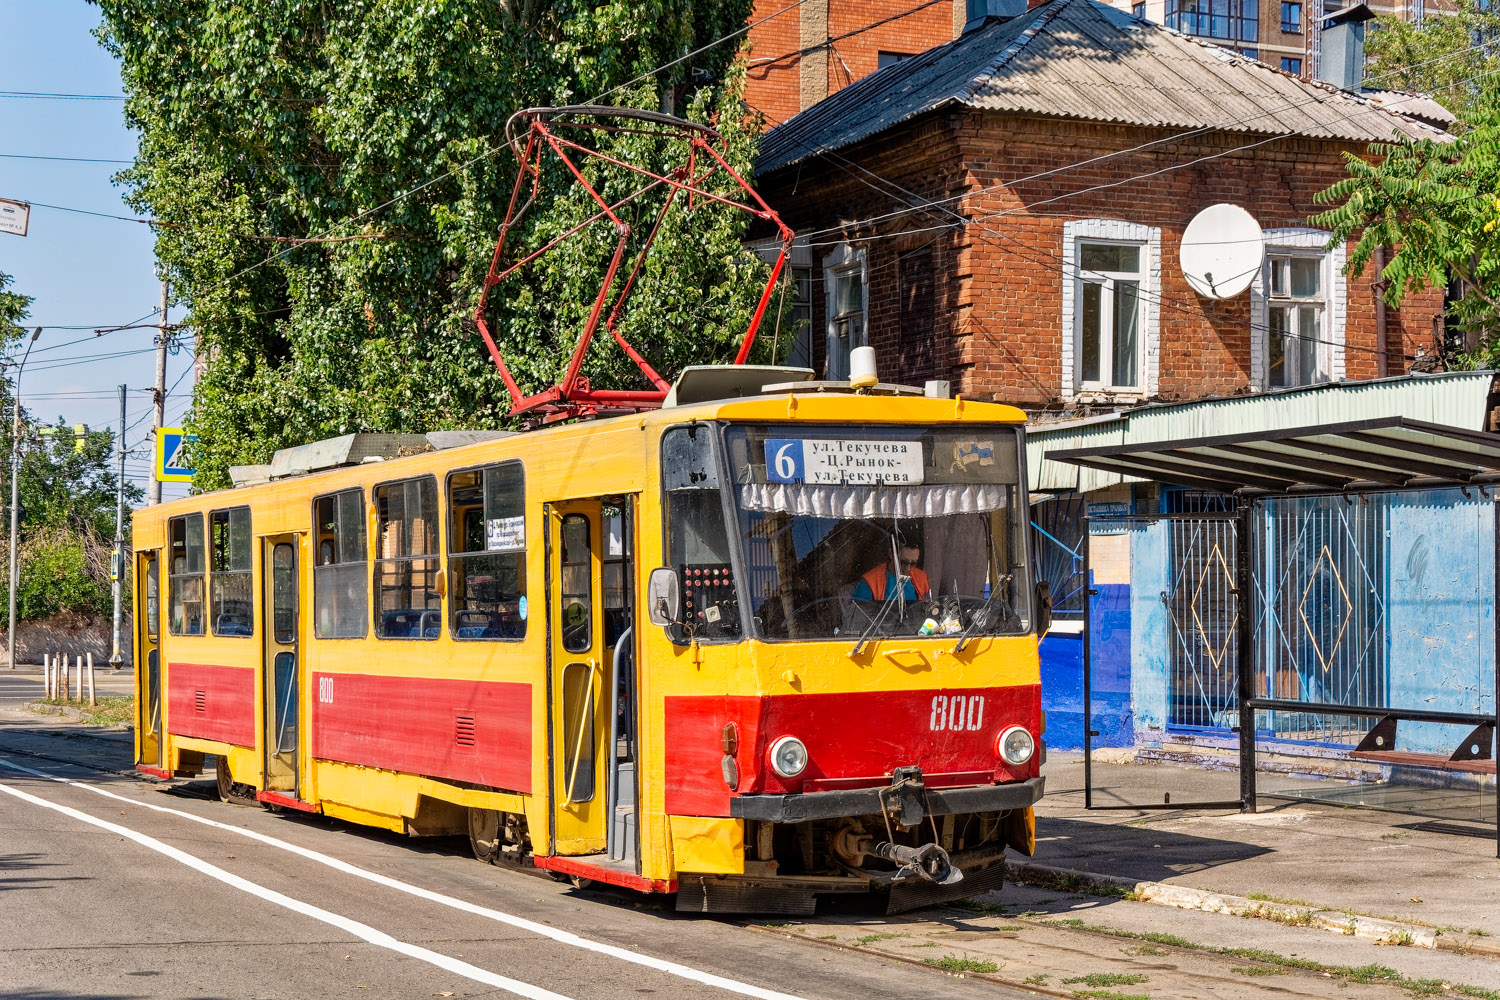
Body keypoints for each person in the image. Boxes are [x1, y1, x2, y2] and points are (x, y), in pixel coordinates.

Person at [852, 543, 931, 603]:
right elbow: (858, 617)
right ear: (891, 554)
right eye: (903, 562)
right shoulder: (870, 582)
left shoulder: (921, 577)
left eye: (913, 563)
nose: (908, 568)